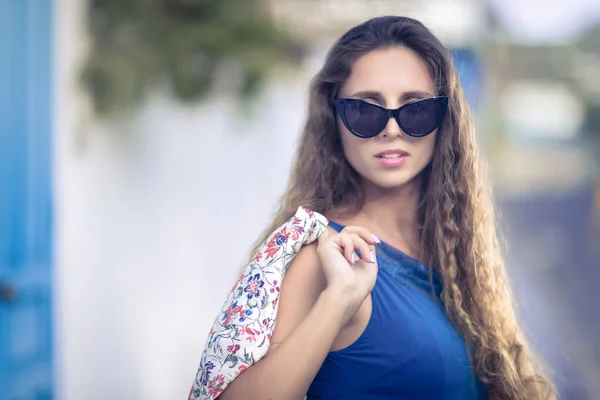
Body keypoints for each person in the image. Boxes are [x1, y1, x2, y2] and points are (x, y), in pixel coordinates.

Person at [195, 15, 555, 400]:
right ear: (334, 119)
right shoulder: (325, 258)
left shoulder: (458, 254)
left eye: (415, 109)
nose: (392, 128)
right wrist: (338, 300)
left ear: (444, 119)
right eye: (366, 110)